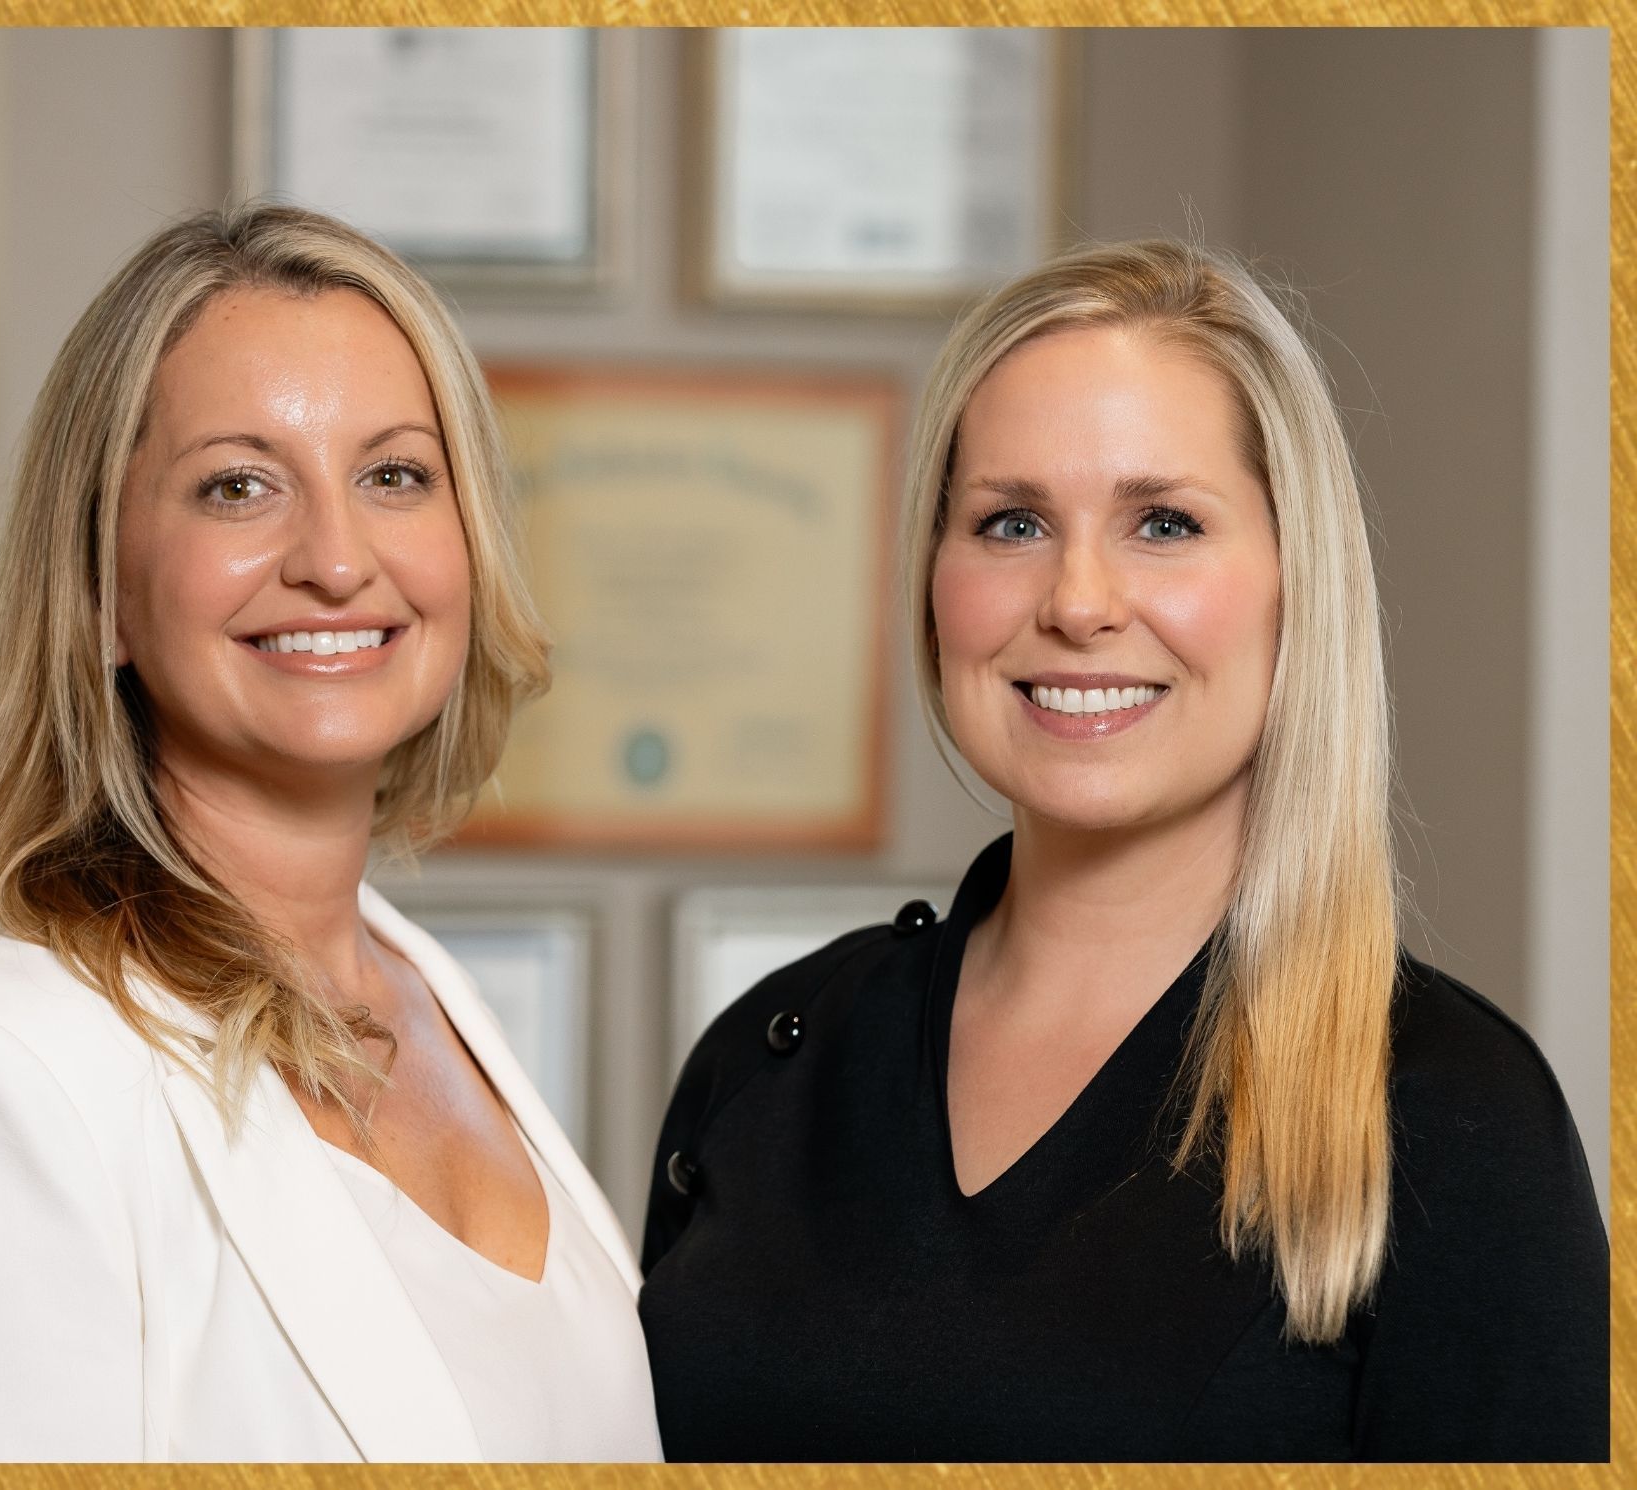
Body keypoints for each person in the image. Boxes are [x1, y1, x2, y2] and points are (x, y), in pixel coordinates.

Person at [639, 240, 1607, 1462]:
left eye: (1162, 521)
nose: (1079, 600)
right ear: (934, 579)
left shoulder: (1448, 1115)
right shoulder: (769, 1057)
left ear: (1296, 582)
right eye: (1011, 521)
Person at [0, 205, 663, 1463]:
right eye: (237, 484)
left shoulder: (437, 1002)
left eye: (395, 474)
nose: (338, 560)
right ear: (101, 593)